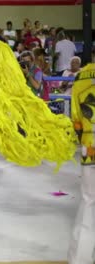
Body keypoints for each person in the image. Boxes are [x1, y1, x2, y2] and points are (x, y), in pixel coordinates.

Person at [68, 63, 95, 264]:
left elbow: (75, 118)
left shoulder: (81, 76)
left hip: (90, 146)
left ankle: (80, 259)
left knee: (89, 203)